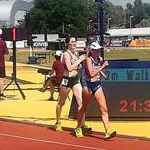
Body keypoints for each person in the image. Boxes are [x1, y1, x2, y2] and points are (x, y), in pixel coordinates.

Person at [78, 42, 116, 139]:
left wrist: (102, 73)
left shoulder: (100, 59)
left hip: (97, 84)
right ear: (92, 51)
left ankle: (108, 131)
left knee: (104, 108)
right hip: (88, 85)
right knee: (84, 108)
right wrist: (102, 67)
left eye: (99, 50)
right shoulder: (88, 60)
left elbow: (97, 69)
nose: (99, 52)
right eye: (97, 50)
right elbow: (91, 73)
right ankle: (78, 127)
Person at [54, 36, 86, 138]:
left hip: (75, 80)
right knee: (61, 102)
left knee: (81, 102)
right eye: (72, 42)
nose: (74, 44)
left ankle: (80, 126)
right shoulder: (66, 55)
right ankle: (58, 122)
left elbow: (76, 67)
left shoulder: (76, 53)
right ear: (68, 44)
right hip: (67, 80)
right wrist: (79, 60)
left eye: (75, 42)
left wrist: (79, 65)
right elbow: (69, 68)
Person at [0, 28, 9, 99]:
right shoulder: (3, 42)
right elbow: (6, 52)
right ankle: (1, 92)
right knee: (1, 78)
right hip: (1, 63)